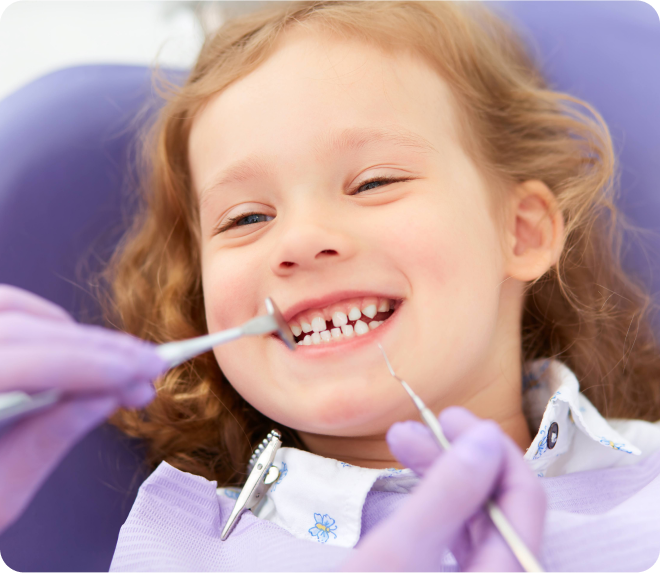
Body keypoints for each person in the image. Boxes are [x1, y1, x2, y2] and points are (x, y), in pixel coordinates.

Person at [2, 0, 659, 571]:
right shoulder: (178, 549)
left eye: (374, 182)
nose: (299, 240)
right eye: (248, 217)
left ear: (521, 232)